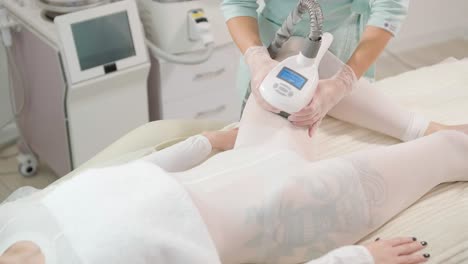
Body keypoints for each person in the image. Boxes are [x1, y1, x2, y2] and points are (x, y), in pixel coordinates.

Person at [1, 77, 468, 264]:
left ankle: (416, 125)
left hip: (244, 160)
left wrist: (207, 142)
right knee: (451, 151)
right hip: (292, 208)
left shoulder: (11, 224)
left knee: (290, 76)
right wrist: (361, 259)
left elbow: (122, 174)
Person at [222, 0, 409, 135]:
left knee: (410, 128)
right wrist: (257, 58)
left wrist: (344, 81)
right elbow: (236, 3)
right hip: (268, 60)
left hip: (342, 56)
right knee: (261, 134)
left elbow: (390, 7)